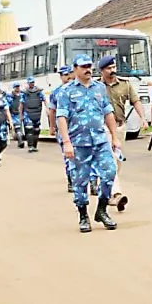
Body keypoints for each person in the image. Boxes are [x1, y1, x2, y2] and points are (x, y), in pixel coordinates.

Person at [56, 54, 121, 233]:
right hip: (78, 144)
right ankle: (83, 215)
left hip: (100, 141)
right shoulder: (66, 91)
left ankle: (101, 210)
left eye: (89, 66)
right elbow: (61, 117)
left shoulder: (99, 88)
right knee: (80, 181)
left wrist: (114, 137)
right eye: (83, 66)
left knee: (110, 172)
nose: (87, 70)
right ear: (75, 69)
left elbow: (108, 113)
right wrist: (66, 142)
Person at [97, 55, 149, 211]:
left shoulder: (125, 84)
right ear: (102, 71)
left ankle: (105, 191)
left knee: (117, 163)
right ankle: (117, 194)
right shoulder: (96, 87)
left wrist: (143, 118)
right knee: (111, 161)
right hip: (103, 128)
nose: (112, 71)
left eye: (113, 67)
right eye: (108, 68)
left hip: (120, 127)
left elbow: (136, 101)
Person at [48, 66, 76, 189]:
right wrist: (52, 127)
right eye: (65, 75)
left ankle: (92, 183)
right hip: (64, 128)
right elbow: (52, 111)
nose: (68, 77)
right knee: (68, 155)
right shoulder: (56, 92)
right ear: (61, 76)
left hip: (79, 127)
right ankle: (71, 180)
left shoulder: (79, 89)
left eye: (70, 74)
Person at [20, 77, 46, 153]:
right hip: (27, 113)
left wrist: (48, 109)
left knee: (36, 130)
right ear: (28, 83)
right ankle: (30, 146)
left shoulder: (39, 91)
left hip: (37, 113)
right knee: (29, 129)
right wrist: (21, 115)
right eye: (30, 82)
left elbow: (44, 100)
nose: (32, 84)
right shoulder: (24, 93)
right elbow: (21, 104)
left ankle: (34, 146)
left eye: (33, 82)